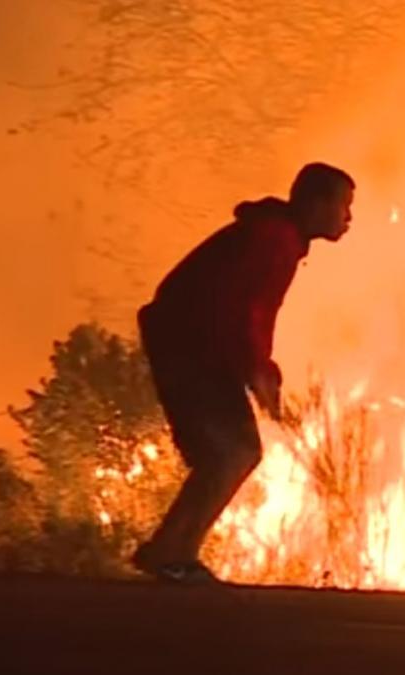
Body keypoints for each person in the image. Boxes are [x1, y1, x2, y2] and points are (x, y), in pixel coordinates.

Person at [132, 162, 355, 583]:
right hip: (192, 347)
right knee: (234, 452)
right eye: (343, 205)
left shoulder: (277, 235)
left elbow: (249, 311)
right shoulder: (274, 239)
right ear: (316, 203)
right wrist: (256, 370)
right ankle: (173, 555)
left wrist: (261, 370)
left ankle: (167, 551)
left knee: (226, 453)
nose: (348, 218)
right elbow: (243, 310)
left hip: (193, 345)